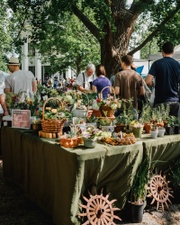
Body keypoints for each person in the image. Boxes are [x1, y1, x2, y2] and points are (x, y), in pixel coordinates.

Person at [145, 41, 180, 117]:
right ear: (173, 52)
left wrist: (153, 85)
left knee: (160, 126)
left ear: (162, 52)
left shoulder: (157, 64)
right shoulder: (178, 64)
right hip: (174, 101)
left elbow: (147, 81)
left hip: (160, 101)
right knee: (175, 126)